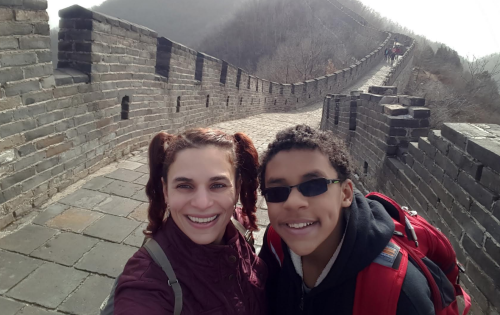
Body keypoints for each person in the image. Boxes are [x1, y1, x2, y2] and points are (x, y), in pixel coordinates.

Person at [258, 125, 434, 315]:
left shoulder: (400, 290)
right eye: (276, 192)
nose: (292, 203)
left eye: (314, 186)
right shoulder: (276, 241)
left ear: (346, 193)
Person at [114, 128, 267, 315]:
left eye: (217, 185)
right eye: (184, 186)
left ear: (237, 189)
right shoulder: (146, 282)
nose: (202, 203)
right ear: (166, 191)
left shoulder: (238, 223)